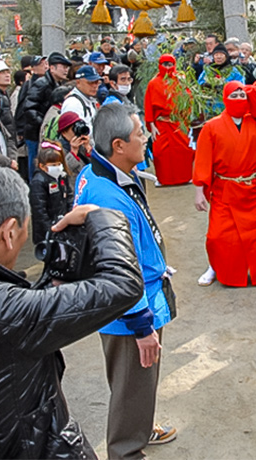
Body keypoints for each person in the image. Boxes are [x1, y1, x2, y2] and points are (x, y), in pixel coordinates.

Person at [0, 166, 143, 457]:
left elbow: (5, 330)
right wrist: (102, 216)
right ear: (9, 232)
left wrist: (51, 282)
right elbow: (123, 285)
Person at [74, 103, 179, 459]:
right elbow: (120, 265)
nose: (146, 139)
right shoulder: (107, 197)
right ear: (118, 145)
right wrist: (141, 323)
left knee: (134, 382)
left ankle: (140, 425)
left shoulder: (101, 171)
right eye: (139, 134)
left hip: (137, 299)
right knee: (132, 381)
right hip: (132, 307)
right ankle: (126, 450)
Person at [193, 82, 256, 287]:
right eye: (233, 96)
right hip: (224, 188)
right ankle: (214, 267)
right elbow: (203, 159)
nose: (238, 99)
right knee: (218, 237)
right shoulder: (211, 127)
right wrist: (199, 190)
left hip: (252, 188)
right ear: (225, 99)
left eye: (242, 95)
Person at [144, 55, 196, 186]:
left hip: (179, 122)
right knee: (161, 152)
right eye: (165, 64)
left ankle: (185, 176)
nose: (167, 68)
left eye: (170, 64)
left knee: (184, 149)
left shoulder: (181, 79)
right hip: (161, 123)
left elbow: (189, 99)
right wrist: (151, 124)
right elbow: (148, 105)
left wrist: (187, 120)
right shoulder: (153, 83)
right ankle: (164, 179)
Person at [22, 52, 73, 181]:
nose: (66, 70)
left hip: (47, 132)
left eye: (67, 67)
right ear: (52, 68)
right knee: (37, 165)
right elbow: (29, 108)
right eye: (63, 67)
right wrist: (45, 124)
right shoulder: (42, 83)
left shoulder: (57, 84)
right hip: (35, 133)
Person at [29, 144, 73, 243]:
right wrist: (50, 229)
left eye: (59, 164)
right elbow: (39, 210)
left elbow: (69, 196)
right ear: (42, 166)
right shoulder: (38, 182)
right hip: (47, 231)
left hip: (63, 223)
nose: (57, 167)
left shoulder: (62, 177)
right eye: (53, 165)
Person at [61, 65, 101, 137]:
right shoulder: (73, 103)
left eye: (97, 82)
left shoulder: (89, 99)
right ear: (78, 82)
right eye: (90, 82)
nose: (95, 86)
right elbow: (72, 136)